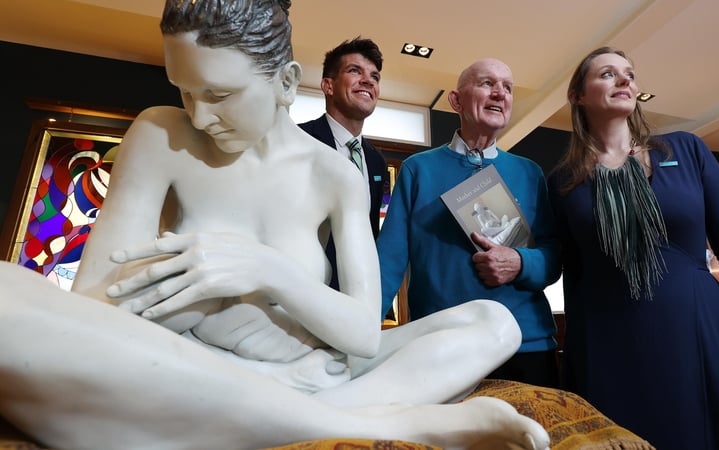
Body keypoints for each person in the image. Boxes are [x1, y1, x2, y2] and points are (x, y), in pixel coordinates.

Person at [0, 1, 552, 449]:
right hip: (185, 364)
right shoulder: (160, 135)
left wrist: (265, 270)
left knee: (493, 324)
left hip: (319, 364)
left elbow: (362, 331)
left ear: (287, 81)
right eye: (183, 90)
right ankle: (363, 422)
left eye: (218, 94)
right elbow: (98, 310)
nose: (198, 114)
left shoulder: (337, 175)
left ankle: (279, 411)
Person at [546, 46, 719, 450]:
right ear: (578, 95)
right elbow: (575, 274)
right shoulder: (562, 182)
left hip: (703, 337)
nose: (625, 79)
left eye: (629, 73)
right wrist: (576, 369)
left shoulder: (686, 148)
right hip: (608, 350)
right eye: (608, 74)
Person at [377, 58, 562, 387]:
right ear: (455, 100)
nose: (500, 93)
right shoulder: (418, 170)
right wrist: (356, 336)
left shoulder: (529, 172)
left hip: (525, 342)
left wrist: (520, 262)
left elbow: (553, 258)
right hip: (441, 344)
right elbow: (388, 262)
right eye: (487, 83)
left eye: (507, 87)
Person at [298, 37, 388, 291]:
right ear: (328, 85)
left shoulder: (376, 162)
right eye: (354, 71)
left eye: (375, 76)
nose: (368, 80)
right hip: (303, 287)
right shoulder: (299, 141)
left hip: (356, 292)